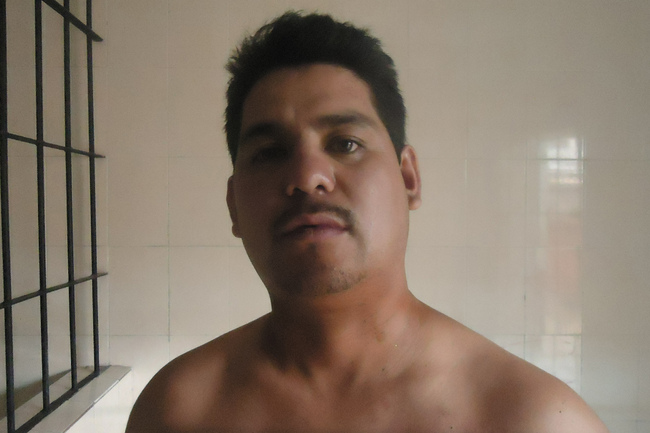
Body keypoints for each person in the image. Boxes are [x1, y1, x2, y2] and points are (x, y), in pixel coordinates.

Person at [126, 12, 609, 433]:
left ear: (408, 178)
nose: (307, 177)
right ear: (234, 205)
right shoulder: (178, 410)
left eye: (345, 143)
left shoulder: (533, 419)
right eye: (270, 152)